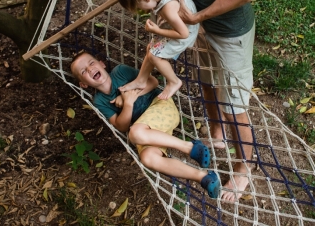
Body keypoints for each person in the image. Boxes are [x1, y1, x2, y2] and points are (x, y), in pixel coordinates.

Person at [130, 0, 256, 202]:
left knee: (235, 107)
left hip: (230, 32)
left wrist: (196, 15)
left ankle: (244, 171)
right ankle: (216, 134)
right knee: (209, 83)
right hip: (201, 27)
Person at [70, 51, 221, 198]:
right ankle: (204, 177)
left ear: (101, 64)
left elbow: (153, 82)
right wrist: (128, 104)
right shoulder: (100, 101)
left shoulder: (120, 72)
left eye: (91, 63)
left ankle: (189, 147)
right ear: (83, 84)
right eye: (84, 71)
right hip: (149, 133)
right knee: (148, 158)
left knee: (135, 133)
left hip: (161, 106)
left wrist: (131, 96)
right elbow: (120, 126)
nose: (90, 69)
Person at [115, 0, 200, 100]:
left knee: (155, 56)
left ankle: (174, 81)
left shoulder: (168, 8)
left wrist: (157, 31)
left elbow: (183, 34)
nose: (144, 10)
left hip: (186, 31)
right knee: (151, 48)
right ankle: (141, 80)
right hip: (177, 23)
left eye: (140, 7)